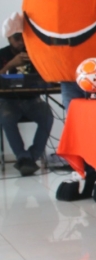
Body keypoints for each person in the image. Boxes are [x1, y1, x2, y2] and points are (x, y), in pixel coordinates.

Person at [0, 27, 53, 176]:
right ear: (9, 39)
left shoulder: (34, 52)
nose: (21, 43)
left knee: (47, 116)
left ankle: (29, 158)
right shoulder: (2, 54)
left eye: (23, 39)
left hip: (32, 99)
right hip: (7, 100)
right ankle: (23, 158)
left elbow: (47, 75)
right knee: (6, 118)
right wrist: (11, 64)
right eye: (17, 40)